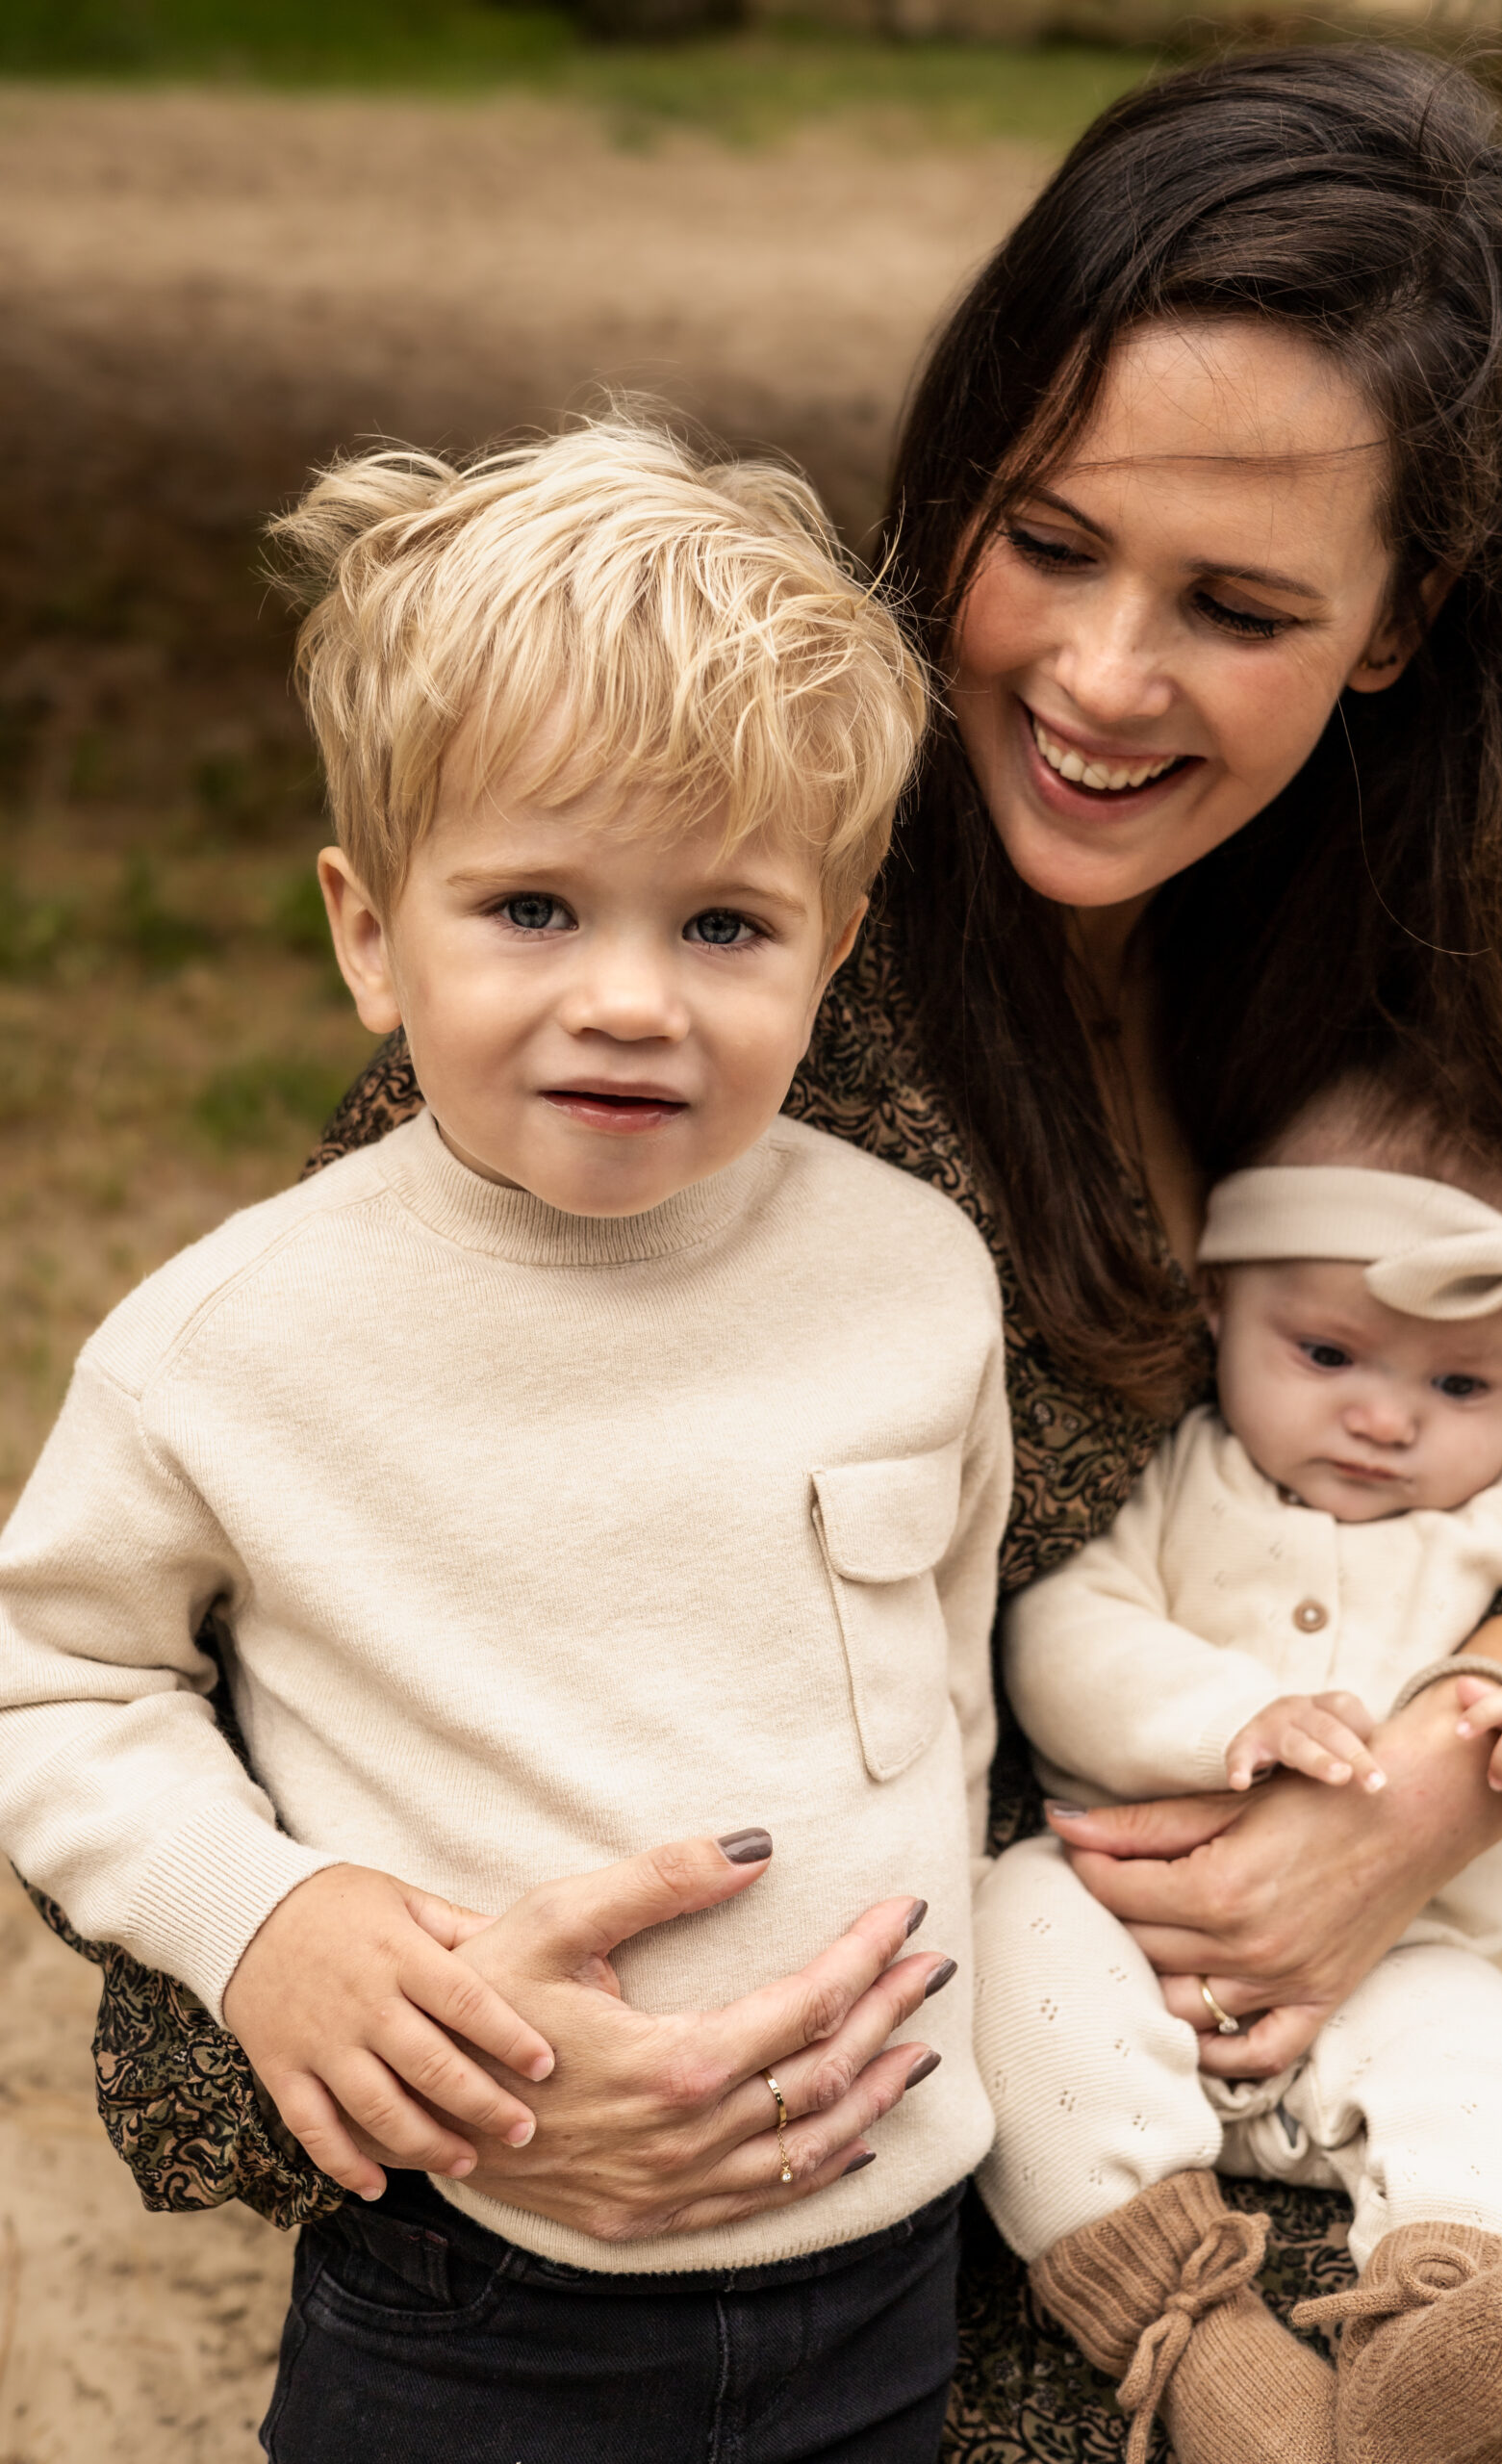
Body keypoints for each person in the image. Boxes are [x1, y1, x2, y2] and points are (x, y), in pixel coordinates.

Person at [19, 42, 1502, 2458]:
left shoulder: (1385, 1047)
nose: (1099, 677)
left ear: (1394, 627)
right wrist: (456, 2068)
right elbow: (198, 1750)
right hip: (761, 2171)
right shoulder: (688, 1019)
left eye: (1230, 601)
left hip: (1232, 2070)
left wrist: (1444, 1769)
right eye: (1049, 541)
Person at [0, 415, 1014, 2461]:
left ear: (830, 942)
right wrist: (260, 1919)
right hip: (471, 2287)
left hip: (889, 2250)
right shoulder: (234, 1337)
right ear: (370, 926)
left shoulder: (918, 1273)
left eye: (721, 924)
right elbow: (52, 1679)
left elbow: (954, 1680)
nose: (630, 998)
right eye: (533, 907)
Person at [975, 1074, 1502, 2464]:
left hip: (1399, 1956)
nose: (1388, 1419)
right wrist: (1229, 1719)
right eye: (1328, 1355)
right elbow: (1062, 1629)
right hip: (1122, 1914)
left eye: (1462, 1382)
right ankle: (1204, 2351)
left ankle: (1457, 2324)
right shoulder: (1175, 1472)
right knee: (1012, 1957)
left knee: (1500, 2077)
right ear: (1220, 1306)